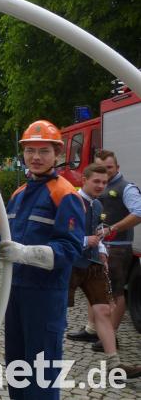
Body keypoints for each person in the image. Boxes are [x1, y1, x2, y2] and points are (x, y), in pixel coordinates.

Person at [0, 120, 85, 400]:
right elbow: (2, 237)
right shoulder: (18, 195)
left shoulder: (65, 194)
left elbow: (70, 249)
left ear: (57, 154)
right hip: (15, 292)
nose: (36, 157)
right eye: (30, 150)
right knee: (17, 367)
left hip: (45, 296)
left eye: (43, 151)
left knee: (42, 372)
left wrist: (24, 253)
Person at [90, 149, 141, 353]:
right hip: (101, 248)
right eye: (101, 168)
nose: (105, 172)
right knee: (101, 291)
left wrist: (113, 229)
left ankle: (110, 336)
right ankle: (95, 330)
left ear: (117, 168)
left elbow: (139, 212)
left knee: (116, 293)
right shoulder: (101, 185)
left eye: (109, 168)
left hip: (118, 249)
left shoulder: (125, 187)